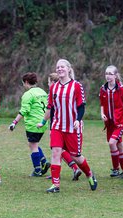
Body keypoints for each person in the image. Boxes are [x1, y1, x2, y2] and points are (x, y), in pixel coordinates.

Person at [37, 59, 97, 193]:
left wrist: (77, 119)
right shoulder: (54, 87)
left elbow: (81, 106)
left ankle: (90, 175)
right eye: (57, 67)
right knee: (56, 152)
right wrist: (45, 122)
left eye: (62, 67)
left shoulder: (76, 86)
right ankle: (55, 185)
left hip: (72, 127)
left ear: (69, 69)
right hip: (57, 126)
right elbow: (51, 107)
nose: (59, 69)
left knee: (76, 156)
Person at [8, 72, 51, 177]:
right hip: (43, 122)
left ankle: (37, 170)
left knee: (33, 145)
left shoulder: (28, 94)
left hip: (33, 123)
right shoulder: (42, 91)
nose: (23, 85)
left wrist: (14, 122)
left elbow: (24, 110)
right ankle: (44, 162)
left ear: (26, 82)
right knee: (33, 144)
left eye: (23, 83)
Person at [46, 73, 82, 181]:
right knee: (57, 150)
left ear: (52, 82)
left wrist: (43, 122)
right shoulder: (57, 90)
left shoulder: (55, 91)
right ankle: (57, 177)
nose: (48, 84)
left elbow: (50, 110)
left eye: (48, 82)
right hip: (61, 125)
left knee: (60, 150)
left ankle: (75, 169)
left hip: (65, 126)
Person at [99, 65, 123, 178]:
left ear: (116, 75)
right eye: (106, 73)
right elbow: (102, 104)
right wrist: (102, 114)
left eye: (111, 74)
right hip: (110, 123)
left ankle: (116, 169)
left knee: (112, 143)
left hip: (120, 122)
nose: (108, 76)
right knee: (119, 145)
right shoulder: (103, 89)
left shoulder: (122, 90)